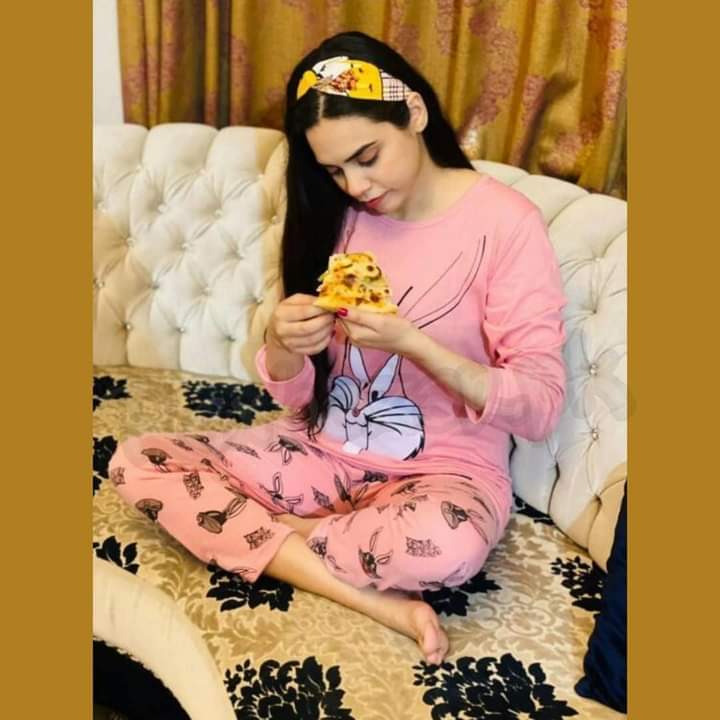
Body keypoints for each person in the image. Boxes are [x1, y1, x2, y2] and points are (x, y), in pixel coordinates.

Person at [109, 31, 567, 666]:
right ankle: (375, 598)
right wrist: (283, 342)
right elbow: (301, 396)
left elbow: (541, 406)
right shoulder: (335, 215)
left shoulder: (506, 223)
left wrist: (416, 345)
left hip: (445, 475)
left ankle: (278, 538)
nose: (355, 185)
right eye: (334, 170)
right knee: (138, 462)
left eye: (367, 156)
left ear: (413, 113)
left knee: (447, 547)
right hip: (322, 451)